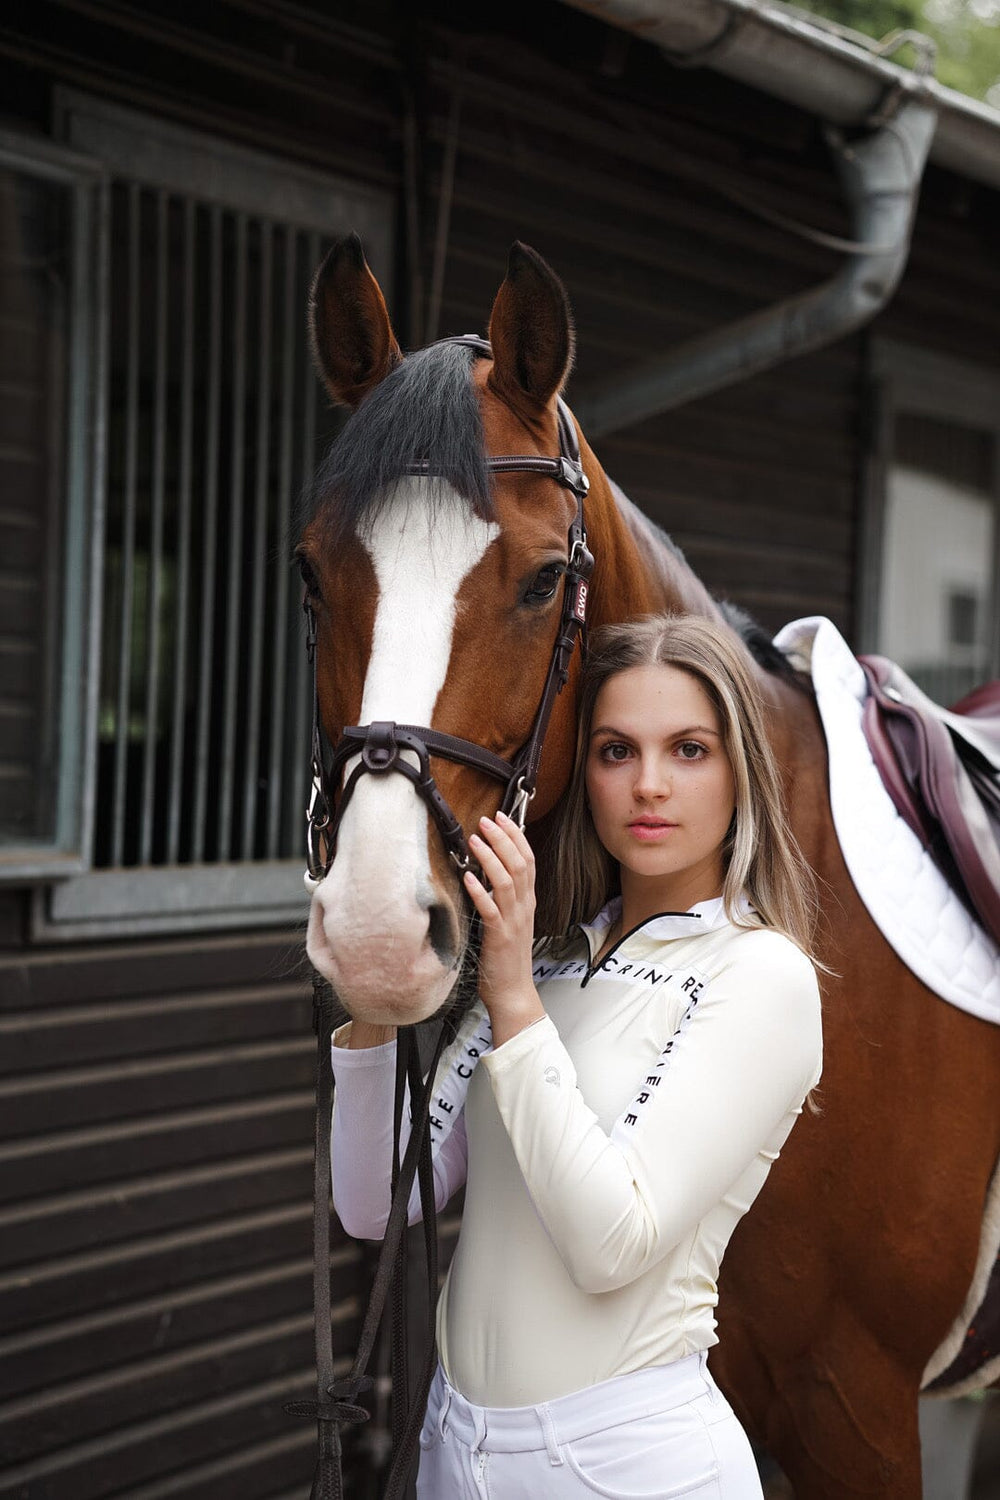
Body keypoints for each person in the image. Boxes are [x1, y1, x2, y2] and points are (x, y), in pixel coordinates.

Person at [330, 613, 824, 1499]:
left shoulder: (760, 977)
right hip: (455, 1451)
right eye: (615, 751)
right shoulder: (550, 957)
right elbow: (376, 1204)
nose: (649, 786)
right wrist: (373, 995)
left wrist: (512, 999)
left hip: (630, 1465)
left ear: (740, 771)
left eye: (689, 750)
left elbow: (611, 1243)